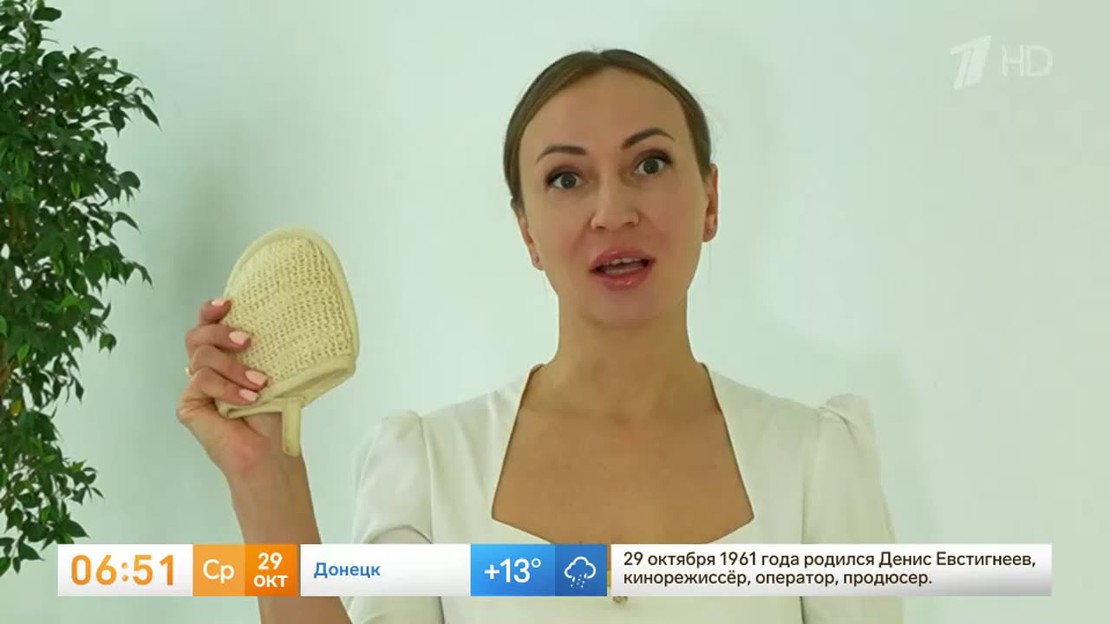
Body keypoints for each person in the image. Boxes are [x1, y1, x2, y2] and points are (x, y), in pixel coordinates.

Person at [178, 48, 902, 623]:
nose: (612, 211)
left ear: (710, 200)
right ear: (526, 230)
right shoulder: (428, 469)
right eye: (566, 179)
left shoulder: (816, 463)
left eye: (649, 164)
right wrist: (264, 480)